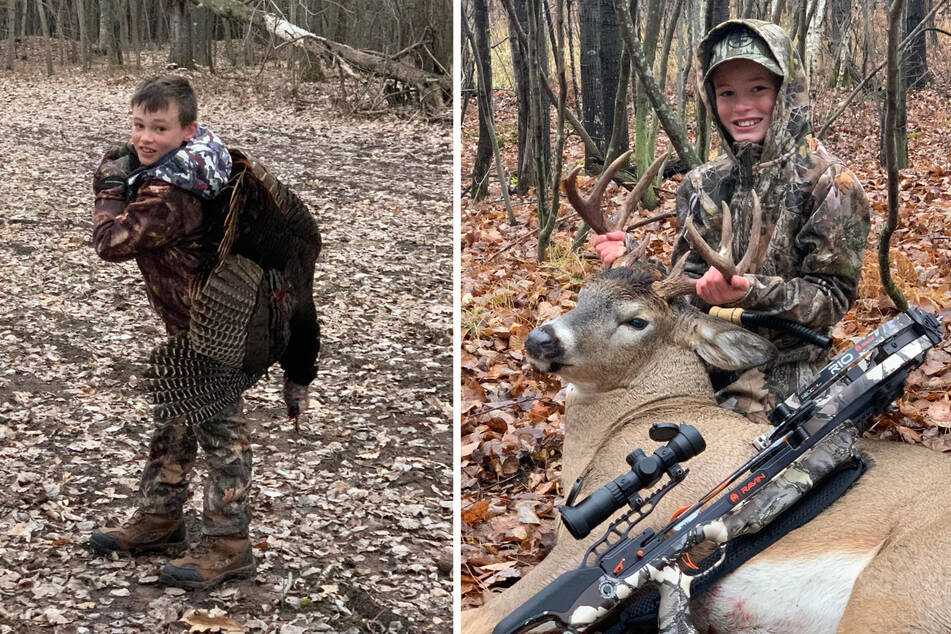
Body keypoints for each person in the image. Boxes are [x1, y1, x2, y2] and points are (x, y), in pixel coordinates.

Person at [592, 20, 870, 423]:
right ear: (711, 99)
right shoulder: (702, 182)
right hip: (699, 349)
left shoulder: (831, 183)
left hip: (783, 366)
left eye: (758, 89)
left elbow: (831, 299)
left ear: (787, 90)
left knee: (728, 459)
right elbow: (684, 285)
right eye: (727, 93)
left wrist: (749, 292)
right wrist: (631, 269)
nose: (742, 107)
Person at [87, 75, 288, 590]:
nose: (143, 138)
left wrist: (110, 189)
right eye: (138, 125)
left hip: (220, 328)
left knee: (221, 429)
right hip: (197, 321)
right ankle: (161, 518)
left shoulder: (173, 191)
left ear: (188, 129)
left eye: (159, 127)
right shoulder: (201, 160)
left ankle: (229, 544)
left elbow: (111, 242)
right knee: (175, 412)